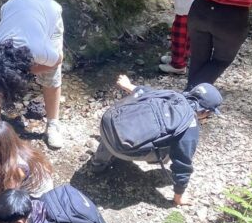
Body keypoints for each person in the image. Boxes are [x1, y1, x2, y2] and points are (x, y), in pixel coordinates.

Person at [89, 75, 222, 206]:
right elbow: (182, 166)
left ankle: (97, 165)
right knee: (173, 148)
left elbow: (144, 91)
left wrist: (127, 85)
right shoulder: (189, 126)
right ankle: (153, 158)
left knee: (120, 126)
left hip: (106, 125)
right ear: (205, 112)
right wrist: (178, 197)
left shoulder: (171, 94)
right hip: (122, 149)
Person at [0, 0, 65, 149]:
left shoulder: (40, 50)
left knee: (51, 77)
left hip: (50, 10)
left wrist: (29, 71)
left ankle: (53, 123)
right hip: (13, 6)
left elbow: (58, 60)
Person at [0, 121, 54, 223]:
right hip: (20, 186)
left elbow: (8, 206)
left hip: (36, 200)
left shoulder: (15, 169)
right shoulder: (14, 148)